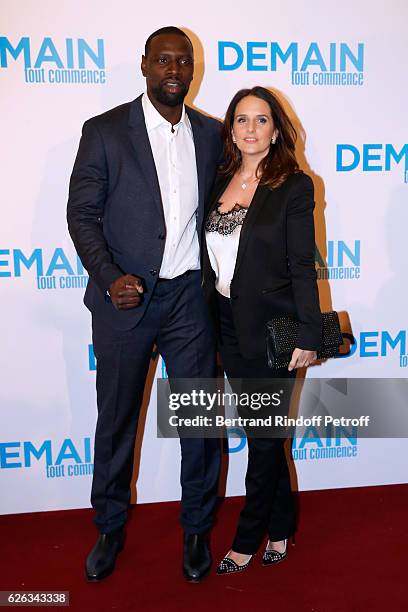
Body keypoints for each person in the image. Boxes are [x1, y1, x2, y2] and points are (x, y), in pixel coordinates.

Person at [67, 26, 222, 583]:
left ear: (193, 69)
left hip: (187, 298)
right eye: (163, 60)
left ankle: (197, 531)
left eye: (183, 61)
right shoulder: (105, 131)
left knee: (200, 421)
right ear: (144, 65)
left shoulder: (211, 135)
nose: (174, 70)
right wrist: (109, 278)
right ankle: (109, 527)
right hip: (124, 299)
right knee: (116, 422)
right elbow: (81, 215)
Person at [202, 86, 322, 574]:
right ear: (231, 129)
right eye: (242, 120)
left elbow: (301, 264)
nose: (251, 129)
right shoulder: (218, 179)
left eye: (261, 120)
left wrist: (309, 336)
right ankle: (282, 524)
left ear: (276, 131)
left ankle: (247, 537)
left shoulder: (294, 185)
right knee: (263, 434)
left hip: (276, 330)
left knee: (265, 440)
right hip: (227, 326)